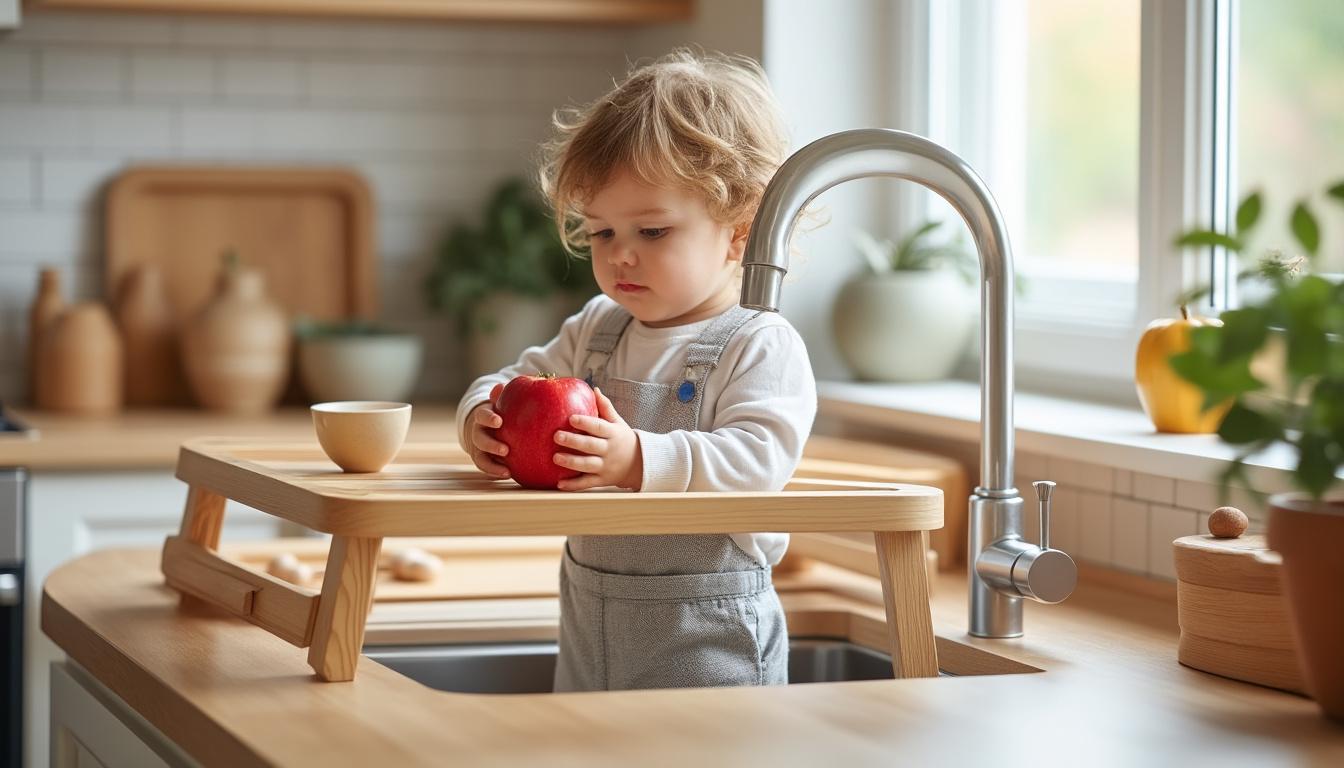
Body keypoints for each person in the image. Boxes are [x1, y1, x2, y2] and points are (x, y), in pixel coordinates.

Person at [457, 49, 817, 692]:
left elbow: (759, 462)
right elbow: (511, 382)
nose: (620, 255)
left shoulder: (760, 343)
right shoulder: (599, 327)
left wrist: (637, 460)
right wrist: (480, 418)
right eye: (602, 233)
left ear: (740, 231)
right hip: (589, 623)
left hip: (708, 634)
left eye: (651, 232)